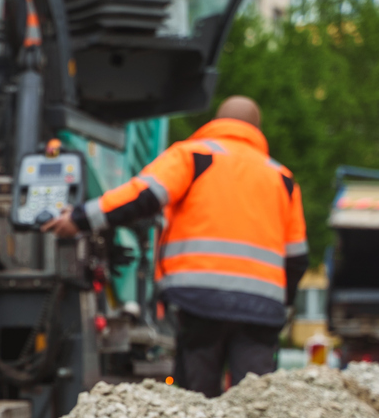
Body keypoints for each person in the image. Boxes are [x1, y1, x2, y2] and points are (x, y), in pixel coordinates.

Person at [43, 96, 308, 397]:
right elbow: (297, 257)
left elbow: (142, 196)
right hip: (261, 308)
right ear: (257, 130)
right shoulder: (283, 179)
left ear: (216, 122)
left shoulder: (194, 156)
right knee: (256, 399)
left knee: (198, 397)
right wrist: (282, 304)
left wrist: (80, 218)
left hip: (199, 297)